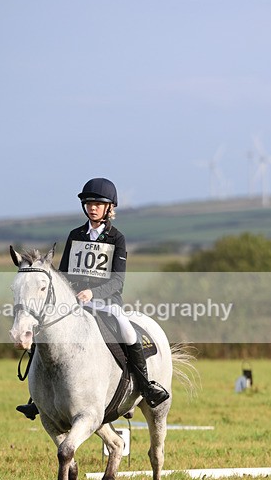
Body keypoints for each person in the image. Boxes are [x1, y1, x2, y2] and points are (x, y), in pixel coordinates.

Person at [16, 178, 169, 419]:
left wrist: (93, 293)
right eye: (88, 203)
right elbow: (64, 273)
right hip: (75, 304)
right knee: (45, 332)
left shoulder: (116, 238)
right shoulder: (75, 235)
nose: (92, 207)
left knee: (127, 331)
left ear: (109, 208)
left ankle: (145, 385)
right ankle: (36, 398)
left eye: (98, 203)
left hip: (106, 302)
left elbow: (118, 281)